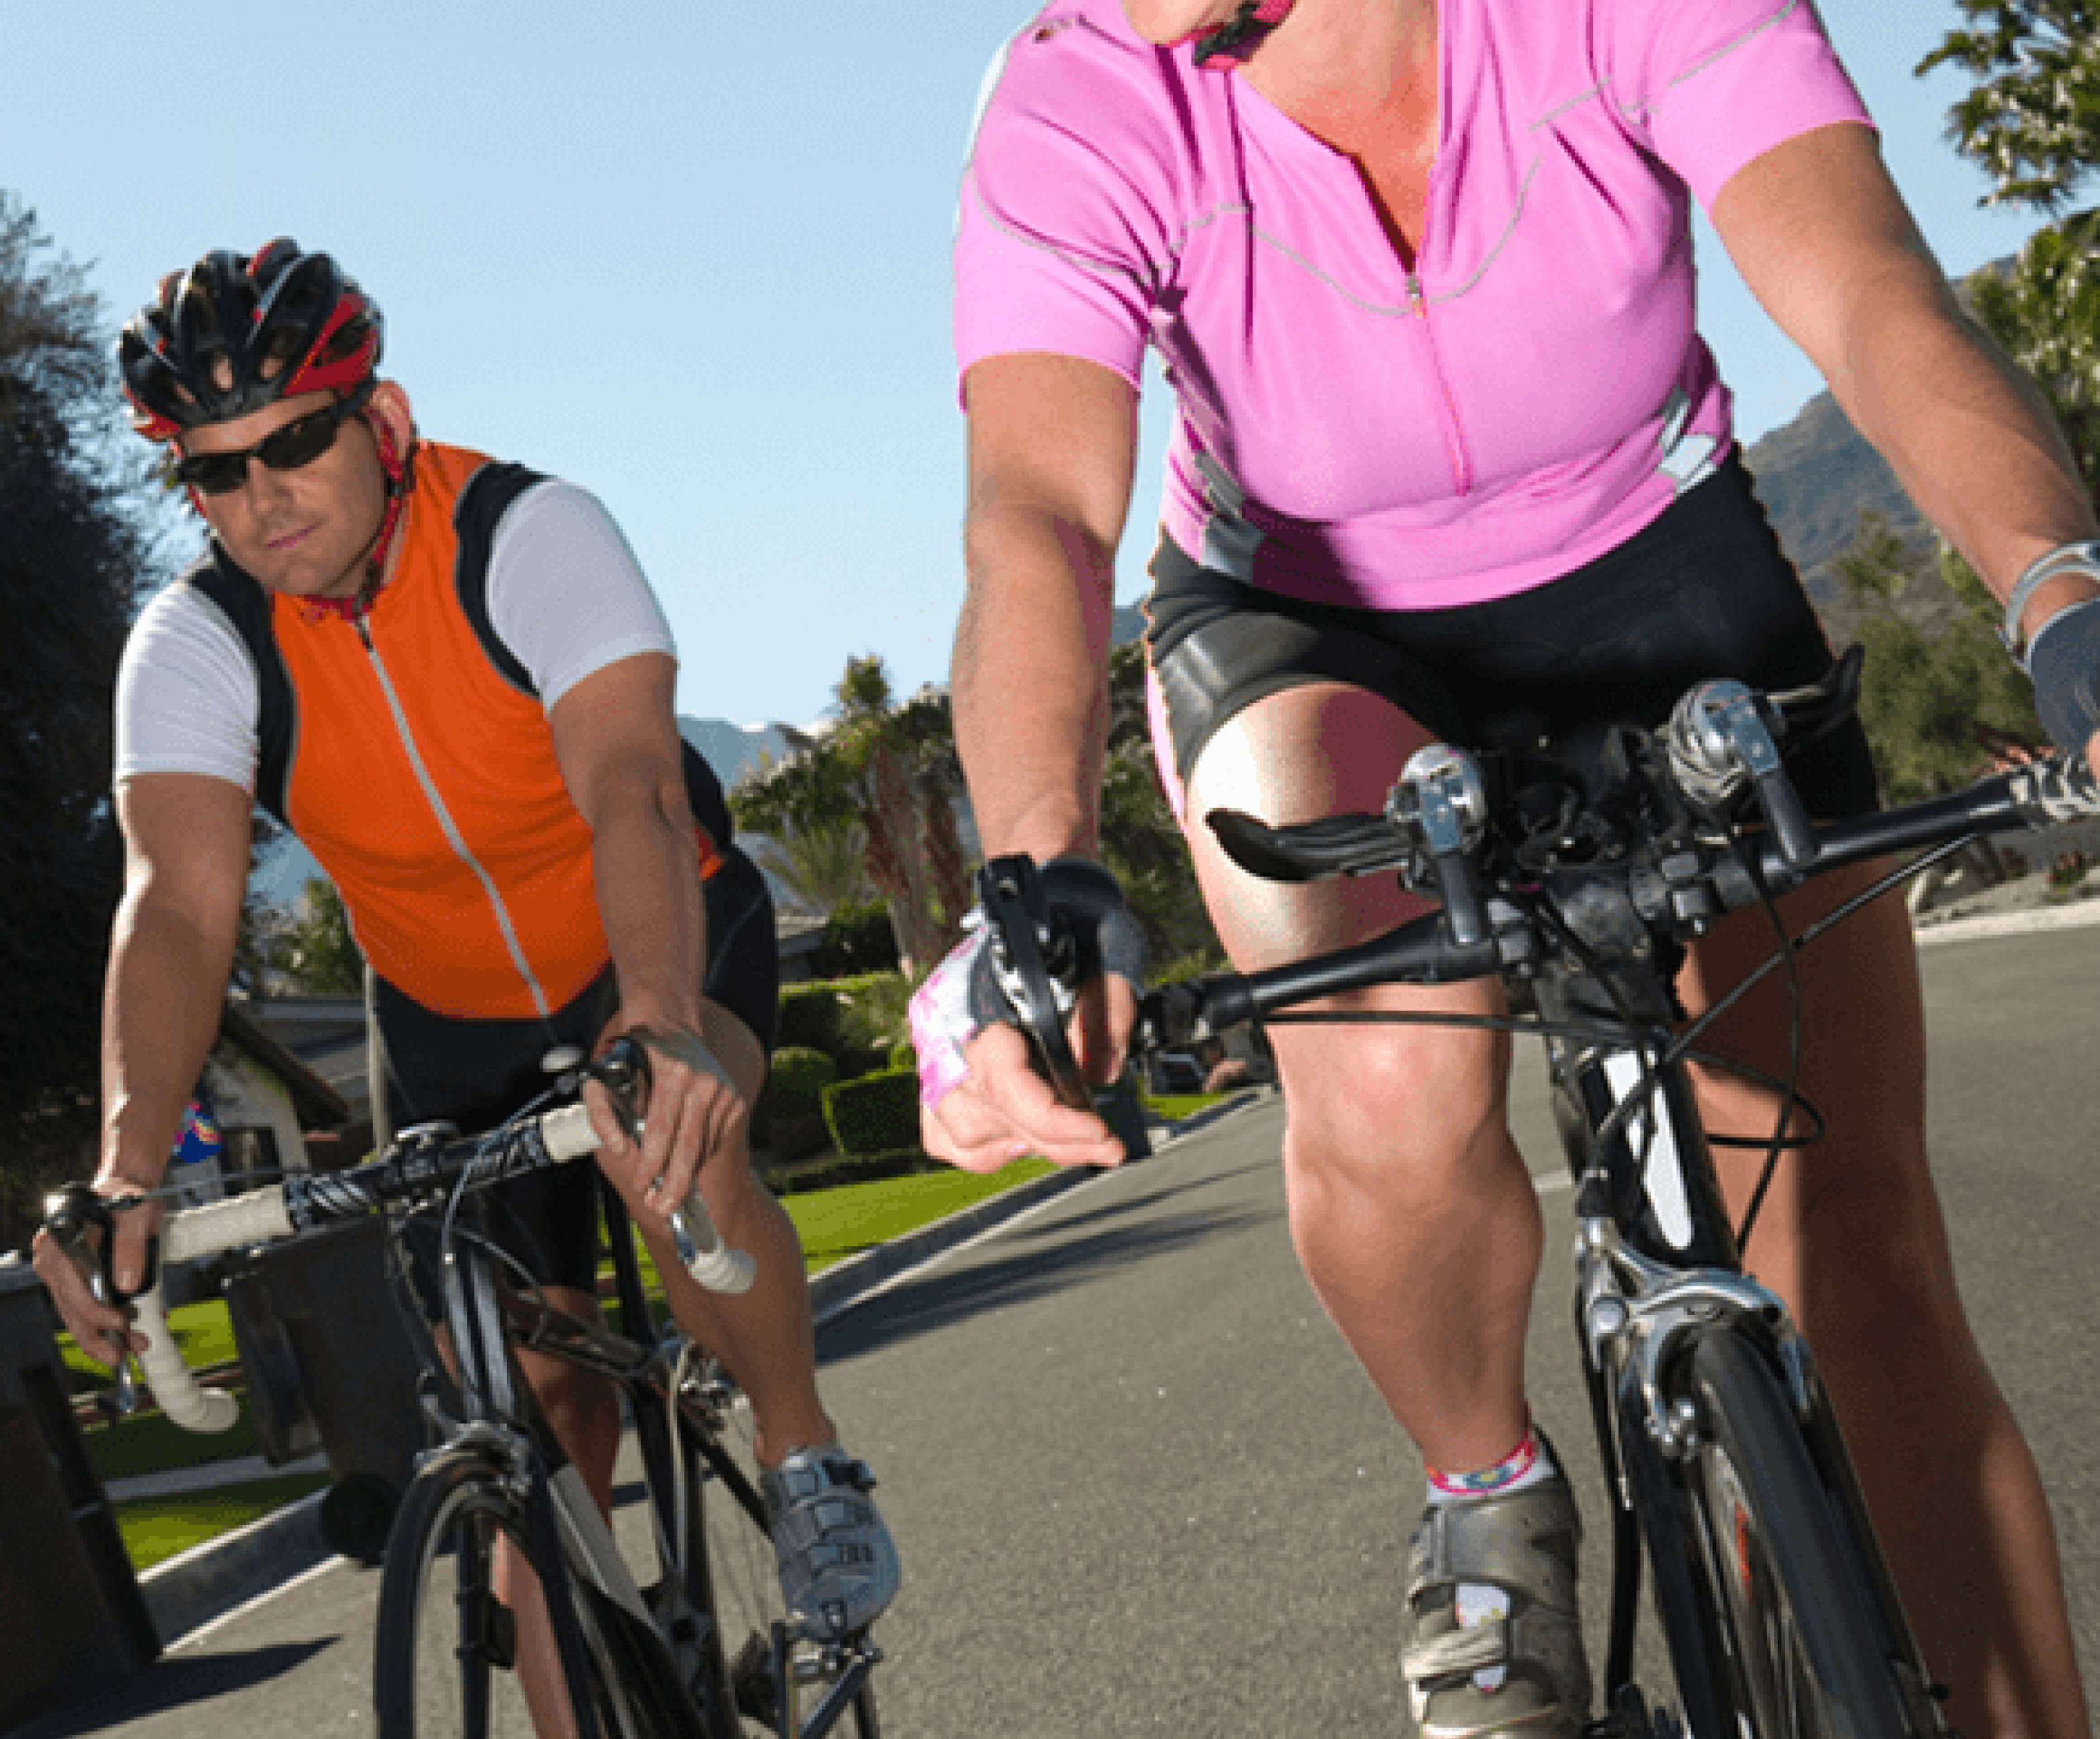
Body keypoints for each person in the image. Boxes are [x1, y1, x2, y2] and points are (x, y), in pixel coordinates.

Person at [917, 3, 2098, 1736]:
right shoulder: (1076, 95)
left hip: (1650, 563)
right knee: (1390, 1062)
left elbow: (1864, 292)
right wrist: (1035, 878)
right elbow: (1034, 511)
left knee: (1862, 1259)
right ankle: (1484, 1494)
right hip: (1303, 631)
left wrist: (2059, 600)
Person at [29, 241, 898, 1724]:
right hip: (445, 1018)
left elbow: (629, 784)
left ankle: (805, 1458)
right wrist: (123, 1168)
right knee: (525, 1443)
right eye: (214, 472)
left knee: (664, 1145)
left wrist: (662, 1018)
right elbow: (176, 904)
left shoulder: (528, 531)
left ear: (383, 420)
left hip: (659, 934)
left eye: (296, 440)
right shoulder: (197, 639)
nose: (265, 499)